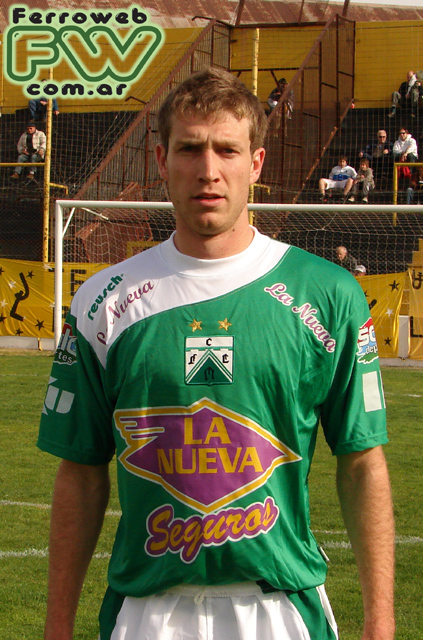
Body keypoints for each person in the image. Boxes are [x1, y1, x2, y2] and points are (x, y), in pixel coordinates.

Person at [38, 67, 394, 640]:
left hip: (279, 609)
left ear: (255, 163)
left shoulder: (327, 295)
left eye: (227, 149)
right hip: (145, 612)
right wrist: (57, 626)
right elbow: (79, 473)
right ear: (162, 160)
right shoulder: (103, 301)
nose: (209, 170)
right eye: (190, 148)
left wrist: (380, 621)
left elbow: (362, 463)